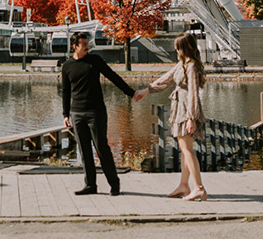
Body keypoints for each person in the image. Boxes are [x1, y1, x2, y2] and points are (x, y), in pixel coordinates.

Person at [134, 32, 208, 201]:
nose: (175, 50)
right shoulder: (183, 64)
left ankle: (199, 188)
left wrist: (191, 117)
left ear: (184, 48)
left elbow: (193, 94)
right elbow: (166, 79)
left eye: (177, 47)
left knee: (187, 149)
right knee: (184, 149)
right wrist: (148, 90)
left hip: (186, 110)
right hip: (181, 109)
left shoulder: (192, 67)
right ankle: (184, 185)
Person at [61, 31, 136, 196]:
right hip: (77, 113)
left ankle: (114, 184)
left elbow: (113, 77)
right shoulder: (67, 66)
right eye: (84, 45)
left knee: (102, 148)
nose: (88, 47)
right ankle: (90, 185)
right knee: (84, 151)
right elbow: (66, 92)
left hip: (96, 112)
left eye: (88, 44)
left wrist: (131, 93)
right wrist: (65, 114)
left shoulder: (95, 61)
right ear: (75, 46)